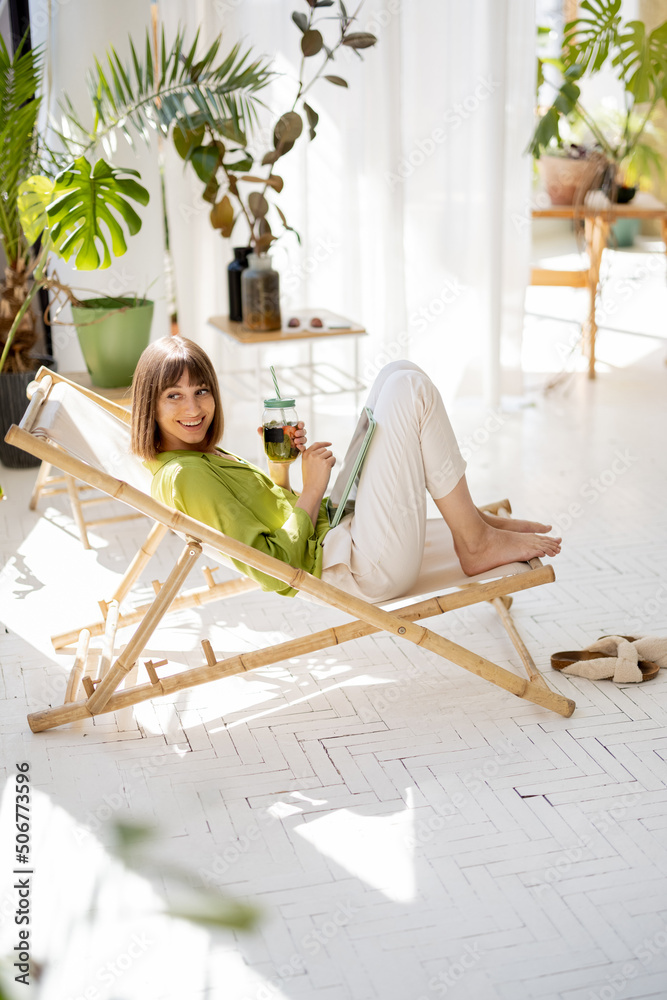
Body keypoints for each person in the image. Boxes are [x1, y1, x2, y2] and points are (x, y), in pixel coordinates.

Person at [131, 337, 561, 603]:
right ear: (149, 404)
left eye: (201, 390)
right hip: (359, 570)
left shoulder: (196, 457)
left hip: (344, 532)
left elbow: (266, 516)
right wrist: (311, 490)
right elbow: (274, 569)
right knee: (409, 390)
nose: (193, 408)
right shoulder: (182, 476)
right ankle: (475, 539)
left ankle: (473, 522)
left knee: (399, 373)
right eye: (174, 396)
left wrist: (279, 468)